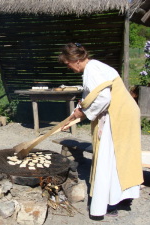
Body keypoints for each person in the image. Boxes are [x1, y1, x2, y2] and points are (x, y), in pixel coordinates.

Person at [58, 43, 143, 219]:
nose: (69, 67)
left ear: (77, 60)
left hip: (118, 116)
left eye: (68, 63)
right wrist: (78, 113)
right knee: (120, 157)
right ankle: (121, 197)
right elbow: (92, 96)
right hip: (124, 113)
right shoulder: (95, 66)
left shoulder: (92, 70)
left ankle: (108, 203)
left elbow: (103, 98)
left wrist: (83, 112)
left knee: (108, 158)